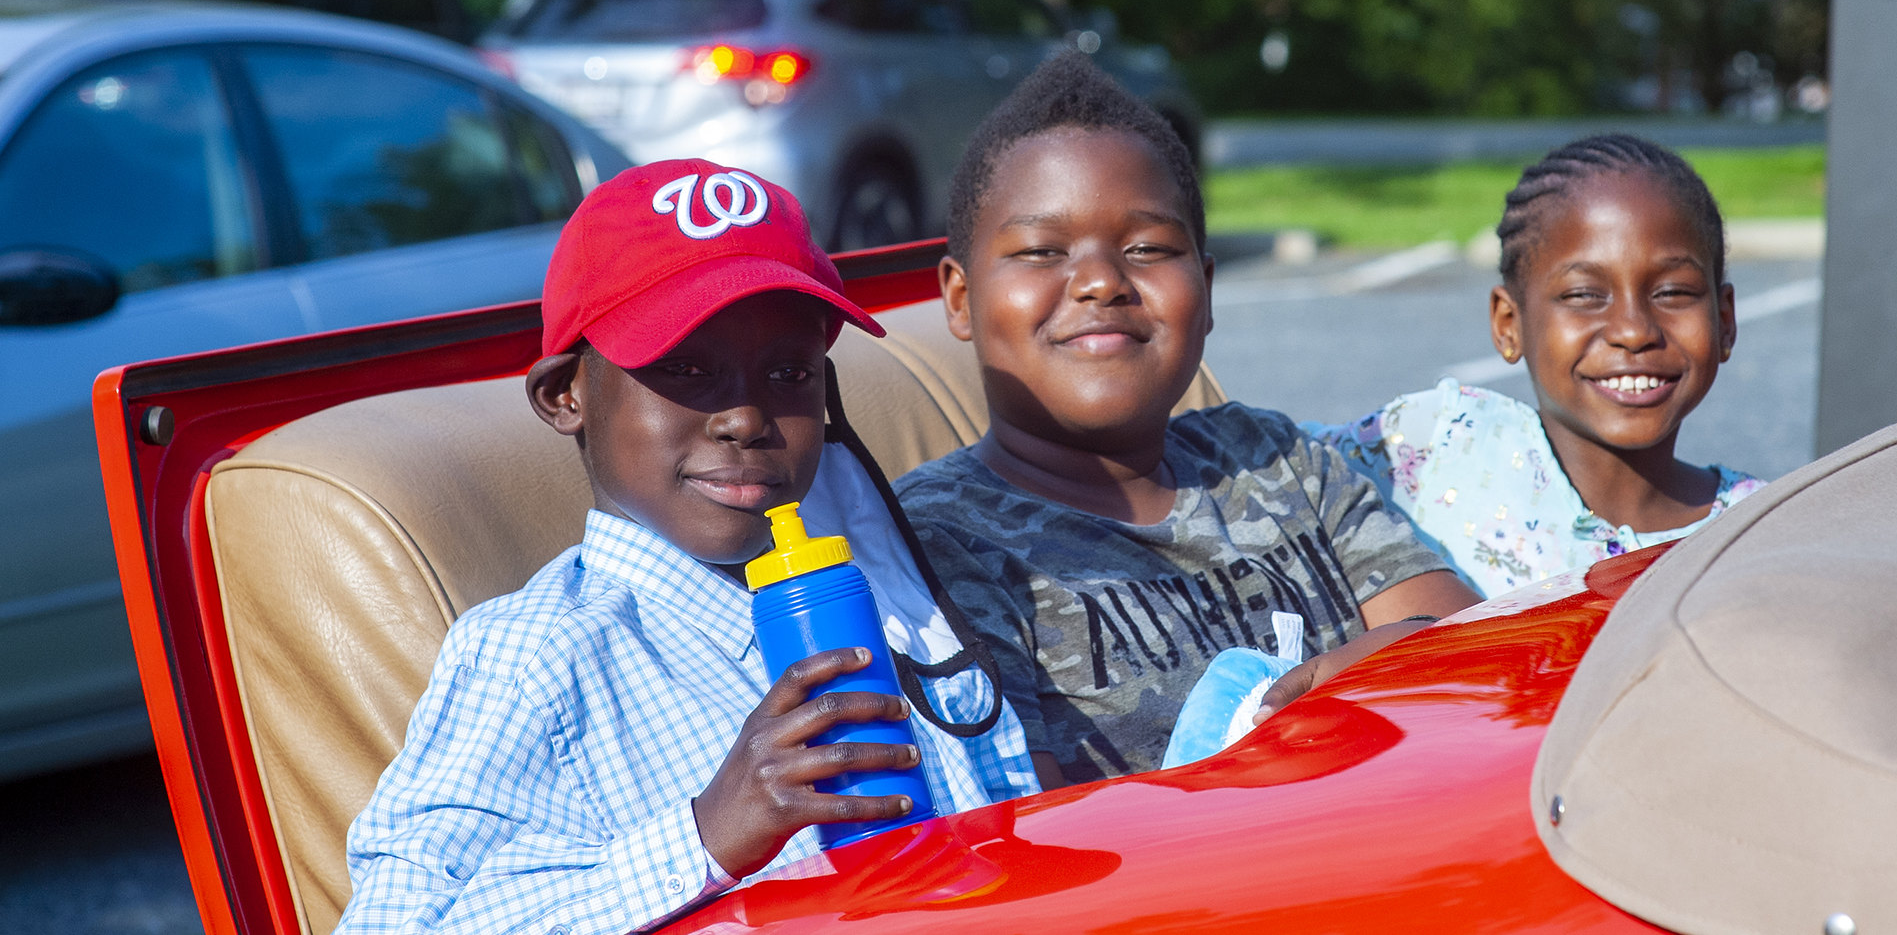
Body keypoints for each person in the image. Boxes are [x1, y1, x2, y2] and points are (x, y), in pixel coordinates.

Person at [337, 160, 1037, 935]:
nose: (744, 416)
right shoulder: (535, 656)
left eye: (786, 371)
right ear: (564, 394)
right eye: (686, 368)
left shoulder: (892, 586)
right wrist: (704, 833)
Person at [892, 53, 1480, 789]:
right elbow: (1031, 835)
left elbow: (1476, 662)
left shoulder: (1275, 459)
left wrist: (1407, 653)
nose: (1102, 280)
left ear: (1203, 289)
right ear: (958, 298)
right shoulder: (936, 546)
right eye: (1042, 251)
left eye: (1145, 249)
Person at [1310, 135, 1765, 602]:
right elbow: (1265, 465)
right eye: (1584, 295)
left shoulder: (1766, 529)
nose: (1633, 330)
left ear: (1725, 320)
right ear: (1510, 324)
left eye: (1673, 292)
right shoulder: (1435, 445)